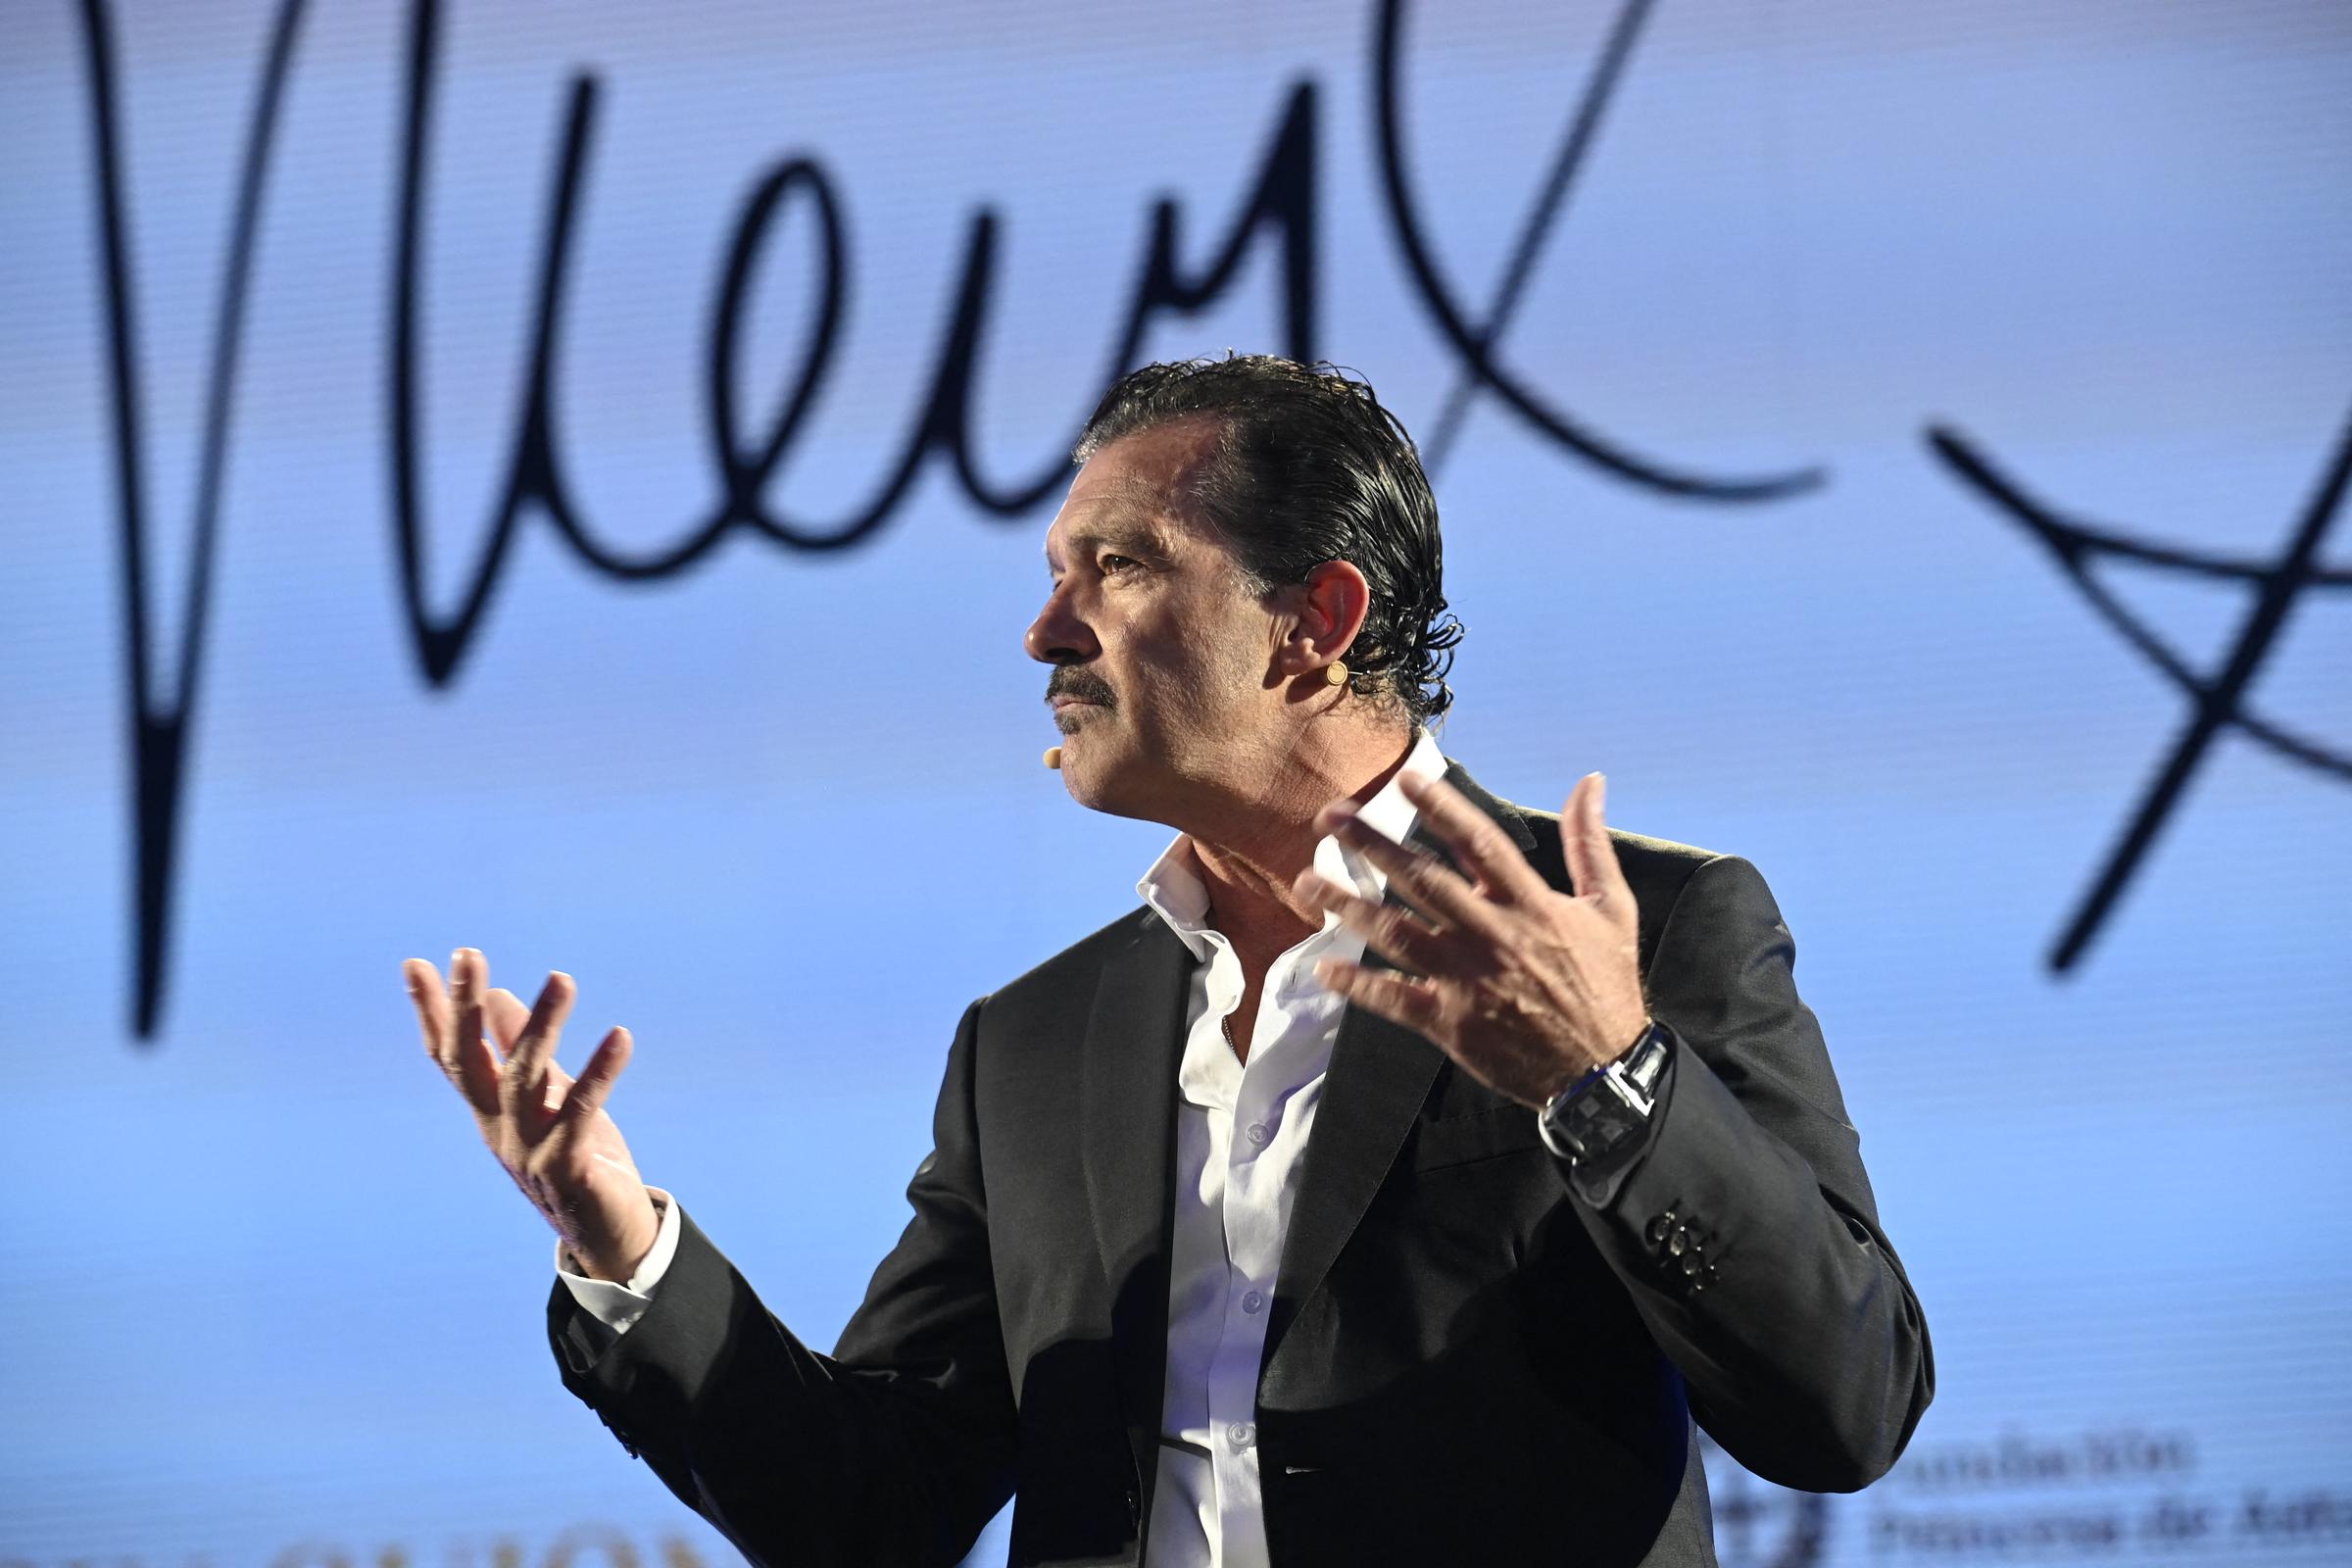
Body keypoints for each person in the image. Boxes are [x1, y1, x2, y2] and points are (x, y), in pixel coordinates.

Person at [404, 356, 1932, 1568]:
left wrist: (1611, 1077)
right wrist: (623, 1247)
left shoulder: (1647, 932)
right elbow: (867, 1517)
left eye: (1115, 567)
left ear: (1314, 623)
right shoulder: (1034, 1045)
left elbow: (1845, 1410)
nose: (1040, 635)